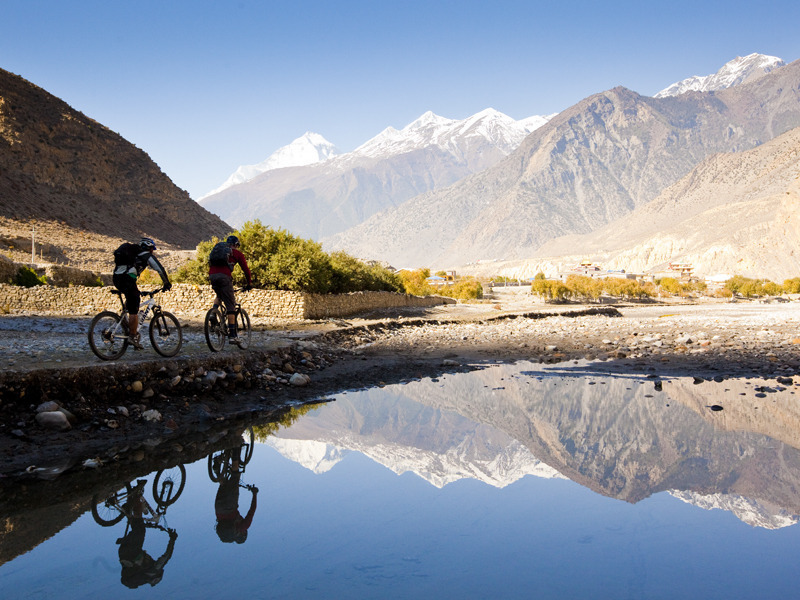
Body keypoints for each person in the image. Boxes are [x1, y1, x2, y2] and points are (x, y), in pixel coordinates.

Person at [112, 237, 172, 350]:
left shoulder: (133, 254)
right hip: (127, 279)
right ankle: (133, 336)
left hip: (116, 278)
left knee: (132, 297)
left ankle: (124, 320)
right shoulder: (145, 254)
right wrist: (166, 283)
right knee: (134, 308)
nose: (152, 251)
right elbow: (159, 268)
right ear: (148, 248)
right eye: (152, 249)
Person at [208, 235, 252, 345]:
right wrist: (249, 283)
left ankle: (213, 312)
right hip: (224, 277)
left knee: (219, 295)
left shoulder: (219, 250)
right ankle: (232, 336)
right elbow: (246, 270)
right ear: (236, 245)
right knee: (231, 307)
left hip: (212, 276)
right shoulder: (237, 253)